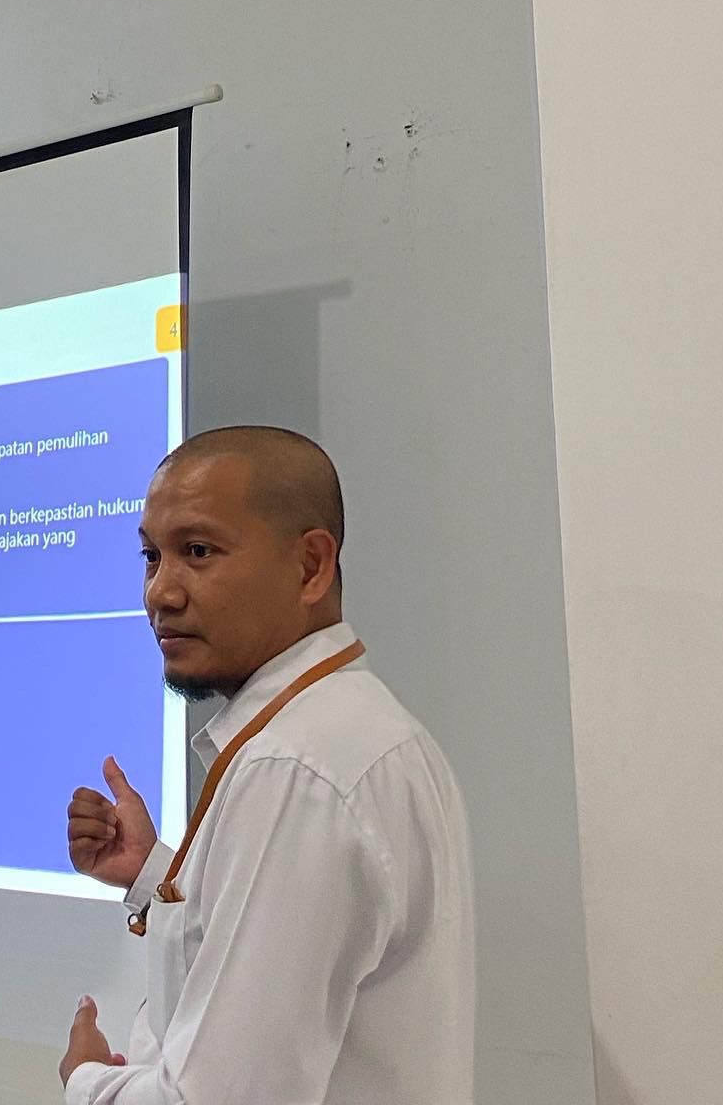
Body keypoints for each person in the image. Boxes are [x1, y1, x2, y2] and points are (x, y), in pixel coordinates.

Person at [60, 426, 475, 1104]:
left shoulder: (298, 768)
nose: (161, 592)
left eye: (198, 551)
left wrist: (85, 1083)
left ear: (310, 566)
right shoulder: (351, 732)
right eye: (151, 557)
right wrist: (153, 876)